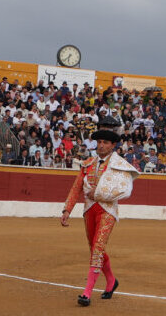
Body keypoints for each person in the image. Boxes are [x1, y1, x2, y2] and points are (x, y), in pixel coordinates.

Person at [59, 128, 140, 306]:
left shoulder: (119, 165)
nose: (101, 145)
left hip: (107, 210)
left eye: (105, 143)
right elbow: (76, 187)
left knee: (98, 247)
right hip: (89, 210)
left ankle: (87, 293)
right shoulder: (87, 164)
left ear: (112, 145)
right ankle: (111, 281)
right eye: (99, 142)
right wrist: (67, 210)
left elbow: (124, 190)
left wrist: (101, 193)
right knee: (95, 248)